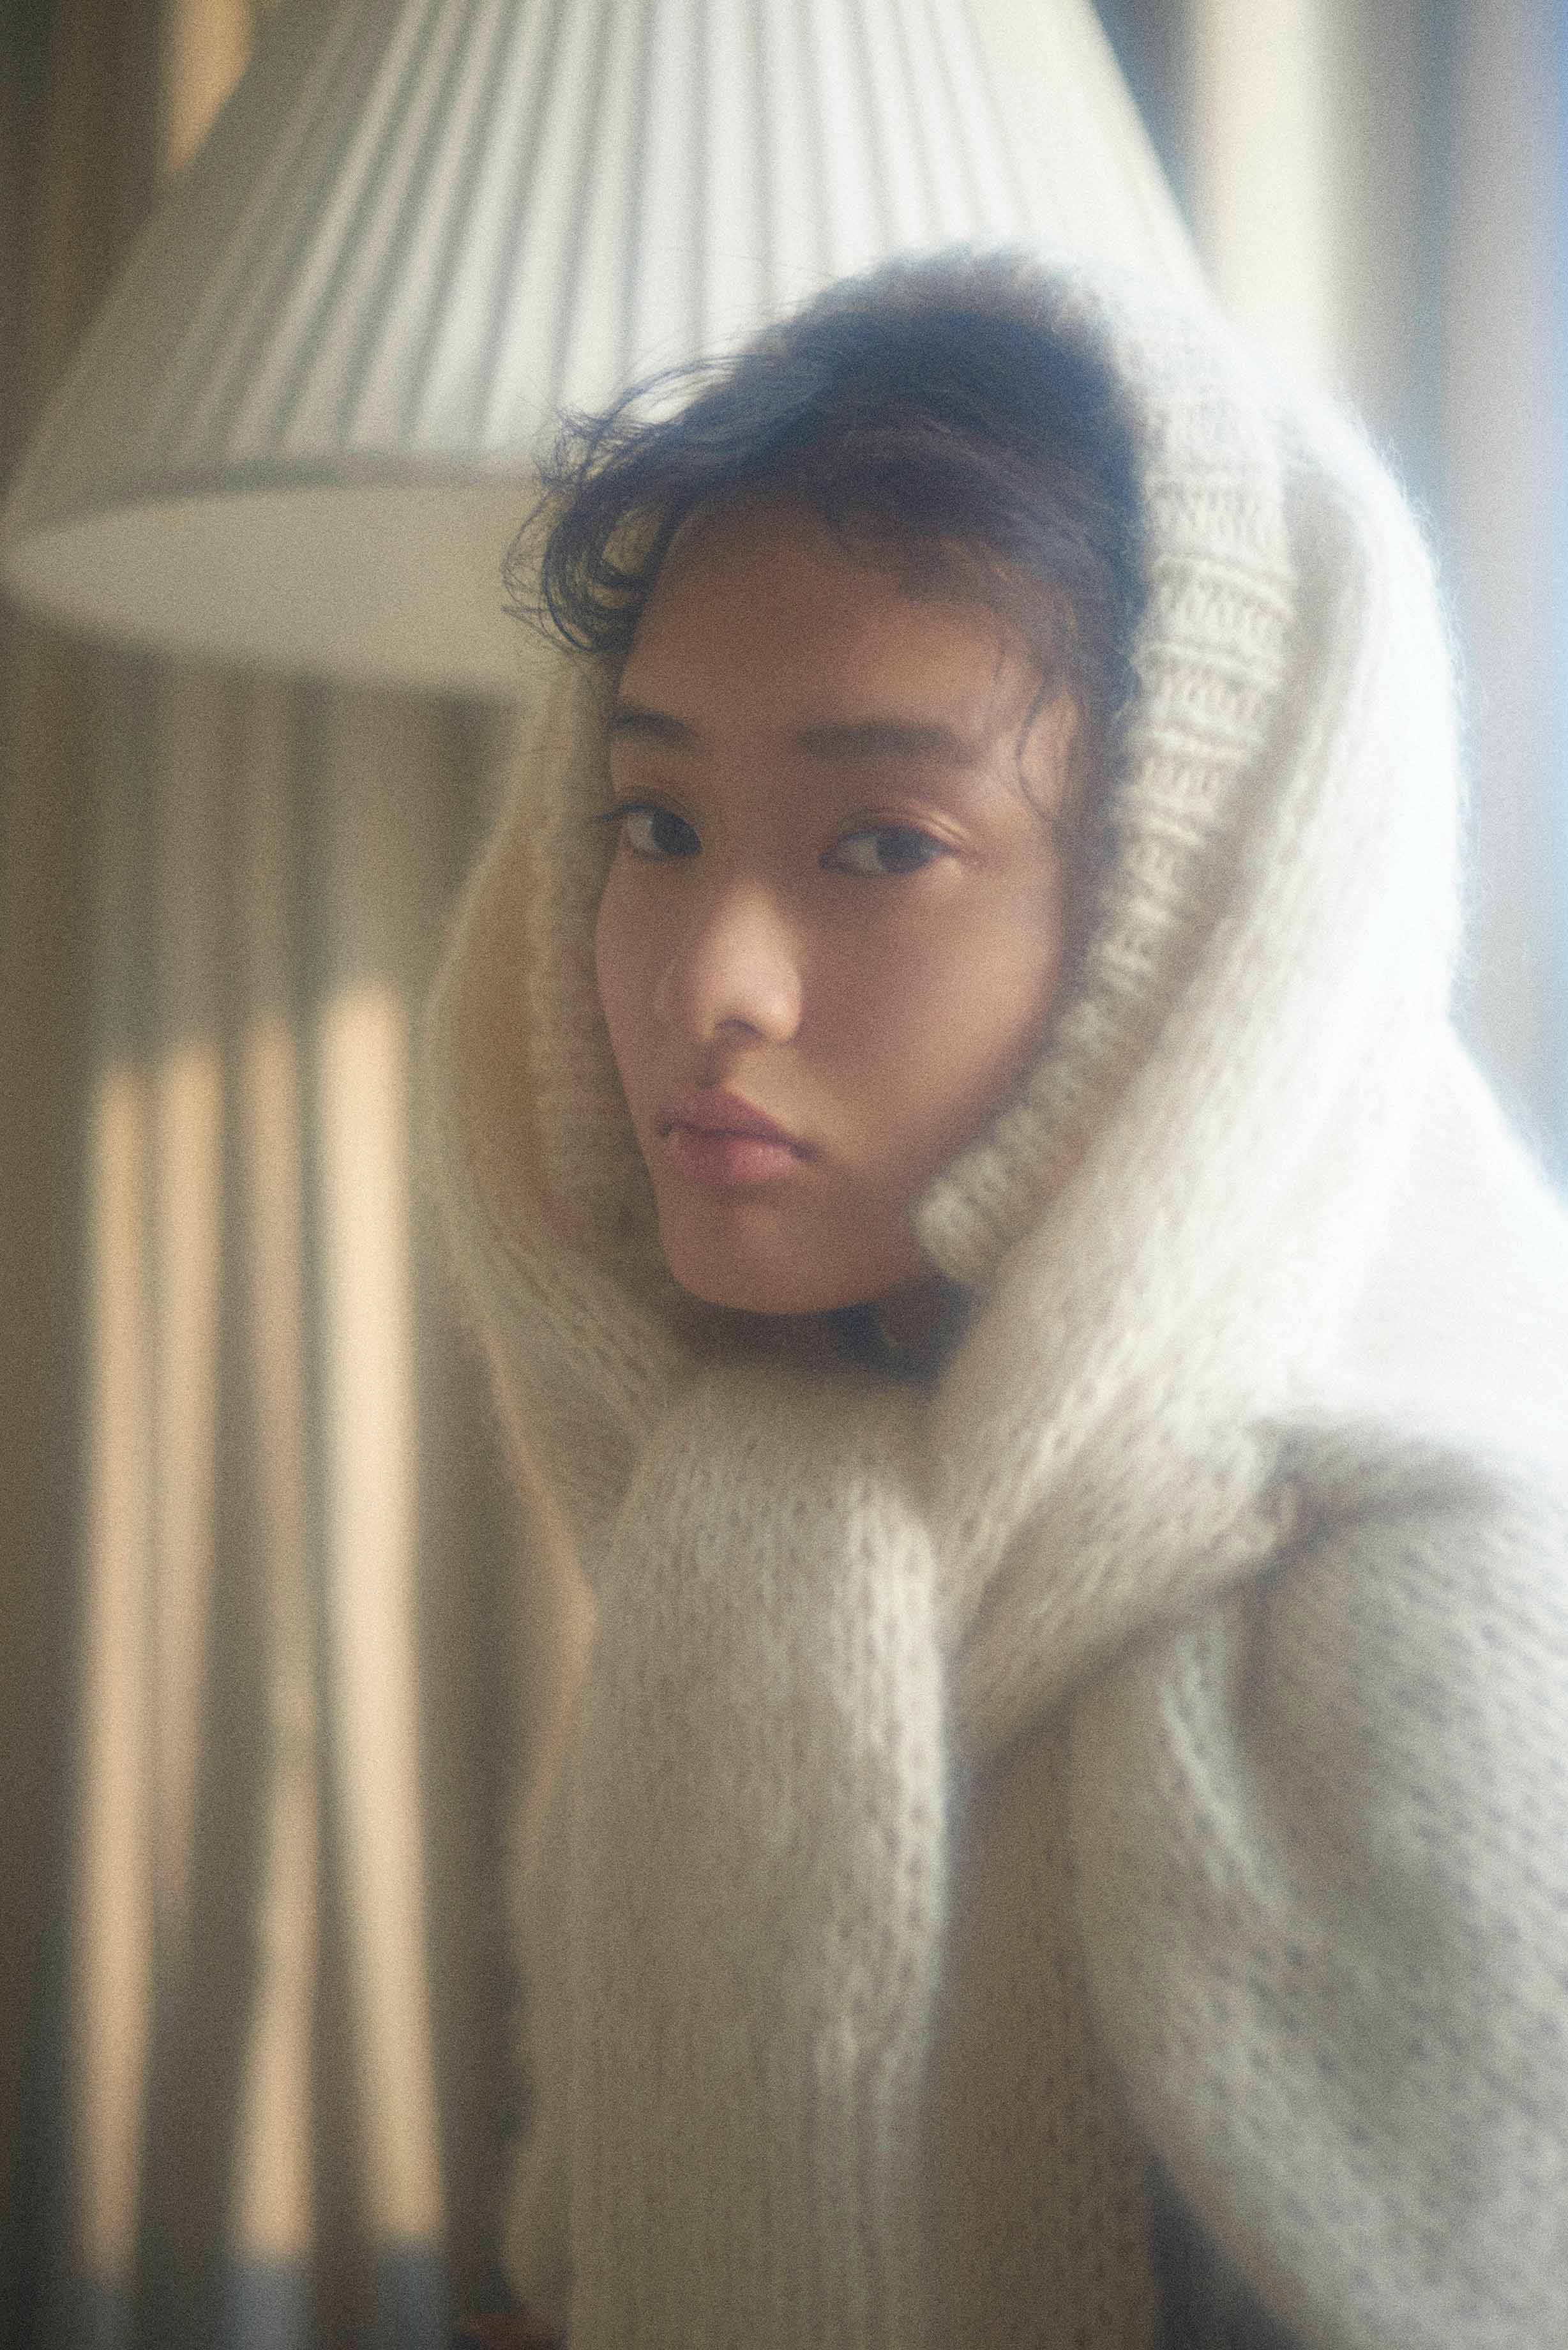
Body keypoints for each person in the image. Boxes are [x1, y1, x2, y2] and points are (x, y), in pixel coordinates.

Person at [426, 250, 1568, 2349]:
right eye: (654, 823)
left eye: (883, 846)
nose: (710, 983)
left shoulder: (1452, 1638)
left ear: (1197, 914)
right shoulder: (750, 1561)